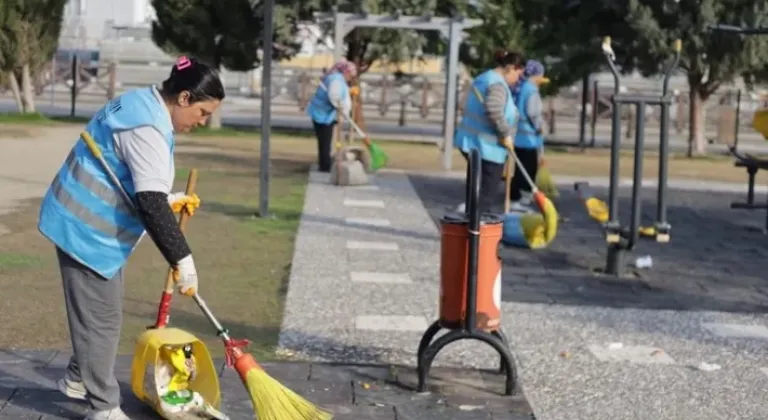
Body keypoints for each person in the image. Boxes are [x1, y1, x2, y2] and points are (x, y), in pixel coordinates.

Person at [37, 56, 225, 420]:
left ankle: (78, 378)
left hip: (88, 225)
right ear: (184, 98)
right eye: (202, 112)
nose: (202, 122)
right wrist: (183, 260)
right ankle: (103, 406)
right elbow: (149, 202)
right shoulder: (148, 127)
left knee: (101, 315)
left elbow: (132, 178)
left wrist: (168, 200)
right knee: (101, 320)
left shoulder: (143, 102)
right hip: (84, 230)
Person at [454, 50, 526, 214]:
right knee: (485, 196)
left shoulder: (483, 79)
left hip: (472, 143)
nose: (517, 80)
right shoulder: (497, 84)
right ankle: (479, 230)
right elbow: (494, 110)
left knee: (476, 192)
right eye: (518, 75)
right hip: (487, 148)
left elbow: (463, 104)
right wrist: (505, 134)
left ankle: (471, 226)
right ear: (512, 68)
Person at [509, 59, 550, 211]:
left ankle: (514, 196)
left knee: (520, 169)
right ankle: (521, 200)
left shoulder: (520, 88)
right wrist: (540, 127)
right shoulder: (531, 90)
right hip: (529, 138)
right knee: (528, 169)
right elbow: (533, 113)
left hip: (518, 138)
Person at [306, 59, 357, 172]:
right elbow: (334, 97)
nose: (351, 78)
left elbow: (340, 95)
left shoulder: (338, 79)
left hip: (325, 114)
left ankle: (326, 163)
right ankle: (325, 166)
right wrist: (342, 109)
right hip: (322, 114)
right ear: (346, 72)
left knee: (325, 141)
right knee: (325, 141)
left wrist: (349, 94)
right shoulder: (336, 80)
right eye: (351, 75)